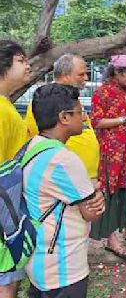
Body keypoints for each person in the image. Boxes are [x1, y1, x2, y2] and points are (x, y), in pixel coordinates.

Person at [23, 83, 105, 298]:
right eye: (80, 112)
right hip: (63, 268)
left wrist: (87, 190)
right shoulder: (63, 160)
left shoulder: (34, 146)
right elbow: (92, 212)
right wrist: (97, 195)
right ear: (64, 118)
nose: (85, 117)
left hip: (40, 262)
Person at [90, 55, 126, 261]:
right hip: (112, 153)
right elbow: (96, 121)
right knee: (112, 191)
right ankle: (111, 239)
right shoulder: (102, 92)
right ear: (117, 71)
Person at [25, 54, 100, 180]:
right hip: (63, 178)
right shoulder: (45, 102)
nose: (86, 78)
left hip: (85, 176)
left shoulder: (73, 100)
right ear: (65, 75)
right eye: (81, 74)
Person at [0, 40, 30, 298]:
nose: (28, 65)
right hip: (4, 209)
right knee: (6, 281)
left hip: (11, 205)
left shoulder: (7, 105)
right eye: (21, 60)